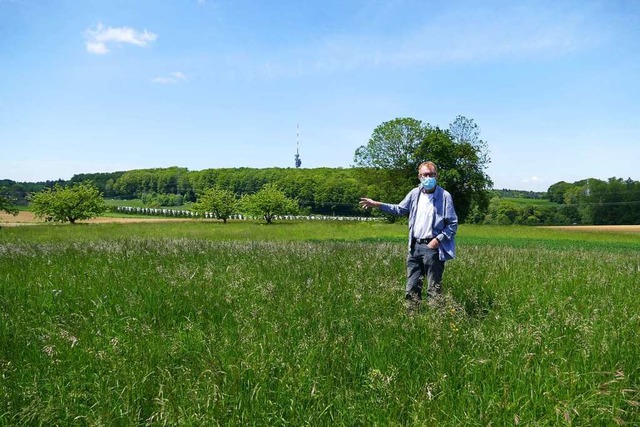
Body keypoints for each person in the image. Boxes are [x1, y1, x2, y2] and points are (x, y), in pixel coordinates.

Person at [359, 161, 458, 309]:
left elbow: (453, 224)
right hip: (414, 247)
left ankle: (437, 321)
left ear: (437, 176)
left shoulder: (444, 196)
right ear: (419, 176)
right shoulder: (414, 193)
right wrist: (376, 204)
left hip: (433, 248)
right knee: (412, 287)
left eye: (431, 175)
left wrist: (438, 240)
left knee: (434, 289)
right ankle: (412, 318)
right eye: (425, 175)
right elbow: (399, 209)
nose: (428, 177)